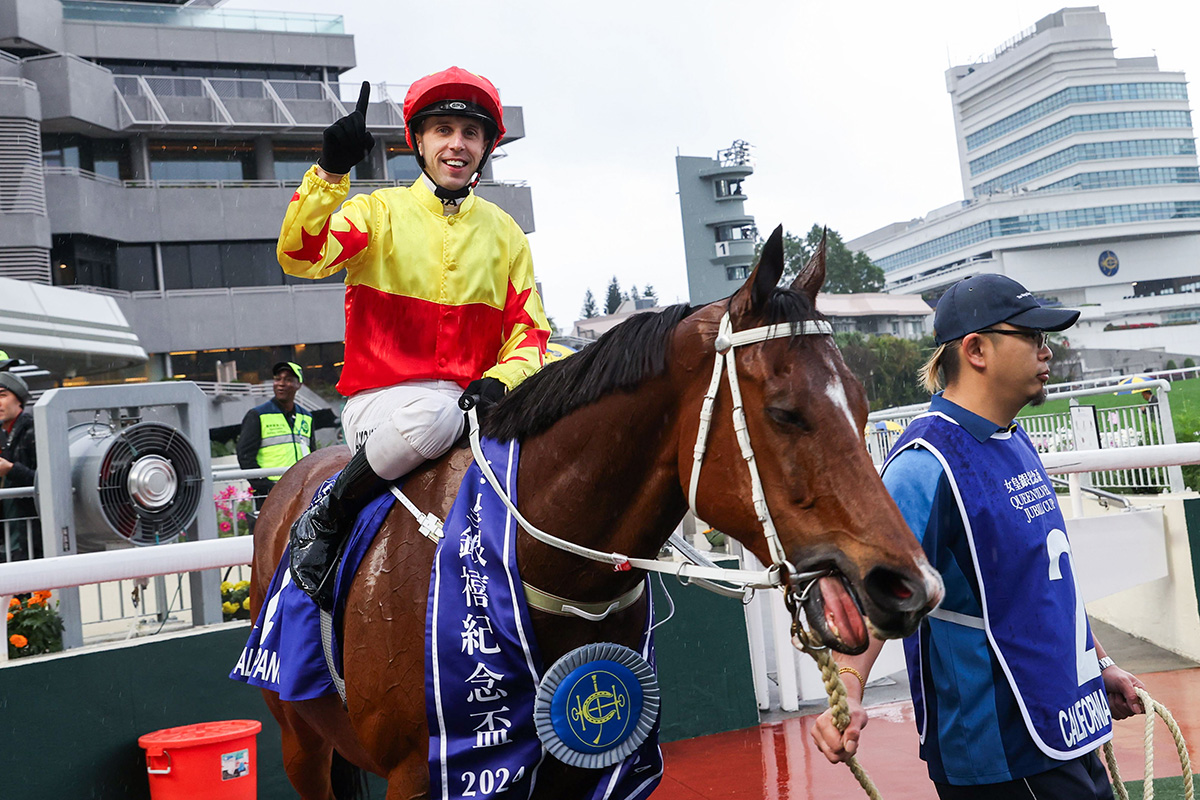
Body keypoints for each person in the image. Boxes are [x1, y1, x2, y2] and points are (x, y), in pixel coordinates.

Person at [812, 274, 1145, 799]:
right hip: (1000, 749)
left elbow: (1041, 585)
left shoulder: (1014, 440)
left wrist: (1098, 663)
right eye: (1032, 336)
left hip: (1062, 717)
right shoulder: (925, 464)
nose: (1047, 349)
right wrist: (848, 689)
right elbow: (877, 588)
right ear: (976, 349)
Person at [279, 67, 550, 608]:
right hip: (384, 408)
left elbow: (531, 333)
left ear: (486, 147)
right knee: (434, 413)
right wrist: (330, 171)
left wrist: (502, 379)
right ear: (419, 142)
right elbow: (299, 255)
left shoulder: (504, 233)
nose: (457, 144)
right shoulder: (377, 213)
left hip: (472, 407)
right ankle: (328, 514)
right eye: (443, 129)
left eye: (471, 133)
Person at [236, 361, 315, 504]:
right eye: (278, 379)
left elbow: (313, 453)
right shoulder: (257, 415)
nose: (281, 383)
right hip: (269, 494)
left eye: (288, 379)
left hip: (302, 490)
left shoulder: (306, 417)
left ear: (299, 385)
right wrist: (266, 487)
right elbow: (245, 456)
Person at [0, 372, 40, 561]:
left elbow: (46, 481)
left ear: (19, 401)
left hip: (29, 536)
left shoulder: (34, 431)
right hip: (10, 535)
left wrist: (10, 469)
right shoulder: (5, 435)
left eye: (2, 395)